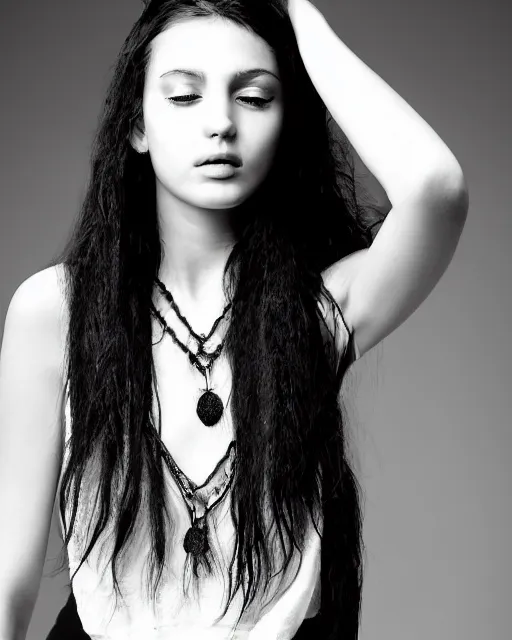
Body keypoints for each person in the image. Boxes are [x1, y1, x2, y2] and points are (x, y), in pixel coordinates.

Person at [0, 0, 469, 639]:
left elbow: (436, 188)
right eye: (185, 96)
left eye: (254, 97)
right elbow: (9, 576)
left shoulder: (318, 309)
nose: (220, 123)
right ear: (136, 124)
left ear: (287, 122)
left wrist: (298, 13)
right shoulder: (56, 310)